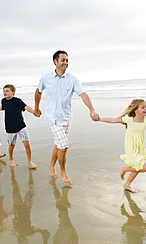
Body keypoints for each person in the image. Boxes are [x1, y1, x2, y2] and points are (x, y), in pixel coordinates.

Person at [34, 50, 99, 185]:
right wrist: (36, 107)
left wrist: (92, 109)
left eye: (67, 60)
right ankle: (63, 171)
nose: (65, 63)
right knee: (64, 146)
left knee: (59, 144)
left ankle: (51, 164)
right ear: (55, 61)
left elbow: (83, 94)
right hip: (52, 118)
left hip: (66, 118)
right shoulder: (46, 78)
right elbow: (38, 91)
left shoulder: (73, 79)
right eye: (63, 60)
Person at [1, 84, 37, 168]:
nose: (5, 93)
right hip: (10, 127)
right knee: (11, 145)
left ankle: (30, 161)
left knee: (26, 144)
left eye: (7, 91)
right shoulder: (3, 101)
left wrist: (34, 112)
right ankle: (11, 159)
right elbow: (2, 108)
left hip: (20, 126)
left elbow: (26, 107)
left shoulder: (17, 101)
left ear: (13, 92)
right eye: (4, 91)